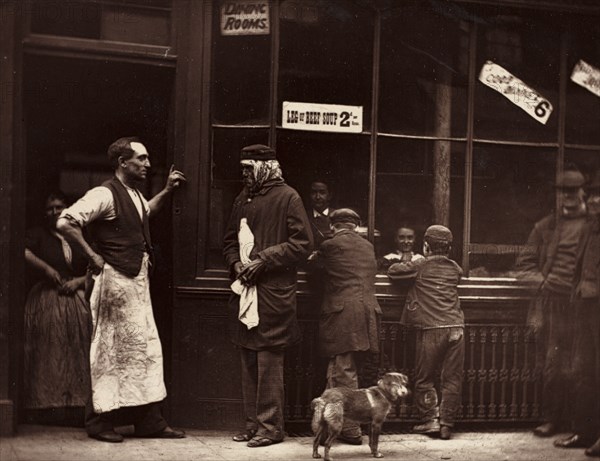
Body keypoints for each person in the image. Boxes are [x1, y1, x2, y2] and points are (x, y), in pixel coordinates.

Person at [56, 137, 186, 443]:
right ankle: (99, 423)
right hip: (112, 283)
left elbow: (145, 213)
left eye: (147, 158)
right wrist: (93, 257)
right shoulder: (103, 193)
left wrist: (166, 191)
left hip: (136, 283)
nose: (147, 164)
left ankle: (148, 421)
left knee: (143, 350)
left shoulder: (134, 194)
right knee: (108, 352)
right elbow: (66, 222)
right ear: (122, 163)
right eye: (141, 159)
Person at [223, 144, 313, 448]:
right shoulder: (242, 198)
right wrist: (236, 264)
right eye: (243, 169)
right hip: (246, 291)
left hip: (273, 294)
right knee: (248, 358)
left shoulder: (289, 196)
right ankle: (252, 425)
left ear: (265, 166)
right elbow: (228, 241)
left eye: (249, 168)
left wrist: (264, 259)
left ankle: (271, 428)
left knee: (269, 362)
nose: (245, 174)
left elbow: (303, 244)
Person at [516, 169, 588, 438]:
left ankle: (581, 424)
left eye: (573, 191)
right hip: (553, 305)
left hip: (586, 305)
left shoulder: (594, 225)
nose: (568, 197)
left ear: (583, 192)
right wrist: (543, 284)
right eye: (563, 192)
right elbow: (524, 265)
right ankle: (551, 419)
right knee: (553, 364)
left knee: (585, 365)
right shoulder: (545, 226)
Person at [309, 208, 381, 445]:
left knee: (343, 370)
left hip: (342, 314)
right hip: (367, 313)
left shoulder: (329, 246)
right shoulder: (368, 246)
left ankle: (350, 429)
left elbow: (314, 273)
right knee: (339, 367)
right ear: (356, 225)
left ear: (333, 226)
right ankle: (329, 425)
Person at [388, 225, 463, 440]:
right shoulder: (455, 267)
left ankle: (430, 420)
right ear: (449, 247)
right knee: (452, 379)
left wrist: (414, 261)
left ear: (427, 246)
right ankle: (447, 424)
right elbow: (457, 275)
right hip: (457, 327)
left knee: (425, 378)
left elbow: (393, 272)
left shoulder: (420, 264)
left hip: (431, 328)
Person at [24, 191, 91, 425]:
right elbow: (22, 251)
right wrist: (46, 269)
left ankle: (76, 408)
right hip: (47, 298)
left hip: (77, 298)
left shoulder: (79, 236)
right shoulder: (39, 234)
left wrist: (78, 281)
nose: (54, 212)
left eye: (59, 207)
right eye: (49, 208)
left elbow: (99, 265)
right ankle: (46, 406)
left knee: (78, 350)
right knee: (50, 351)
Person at [553, 170, 600, 457]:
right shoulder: (588, 227)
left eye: (598, 195)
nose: (593, 200)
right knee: (584, 370)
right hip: (585, 306)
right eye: (591, 194)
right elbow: (578, 268)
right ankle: (586, 432)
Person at [308, 180, 335, 248]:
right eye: (314, 192)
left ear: (329, 195)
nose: (317, 197)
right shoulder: (304, 216)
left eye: (322, 193)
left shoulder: (336, 216)